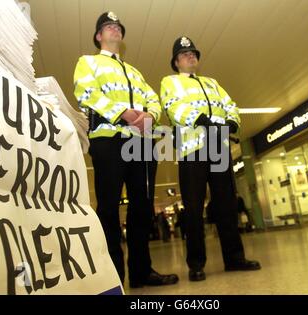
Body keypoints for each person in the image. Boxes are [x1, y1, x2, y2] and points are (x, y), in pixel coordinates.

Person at [73, 11, 178, 288]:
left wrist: (151, 117)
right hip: (108, 139)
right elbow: (85, 92)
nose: (114, 29)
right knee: (108, 207)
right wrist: (124, 113)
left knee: (142, 208)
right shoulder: (88, 62)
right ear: (98, 36)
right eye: (108, 26)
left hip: (141, 143)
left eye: (117, 26)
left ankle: (142, 272)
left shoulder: (134, 72)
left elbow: (153, 99)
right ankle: (114, 276)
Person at [160, 36, 261, 281]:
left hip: (219, 147)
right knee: (193, 208)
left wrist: (232, 121)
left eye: (193, 53)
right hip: (192, 149)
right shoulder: (170, 82)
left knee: (226, 204)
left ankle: (234, 258)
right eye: (185, 54)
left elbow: (230, 105)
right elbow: (174, 107)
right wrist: (203, 119)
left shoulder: (212, 83)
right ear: (176, 62)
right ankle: (196, 264)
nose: (191, 57)